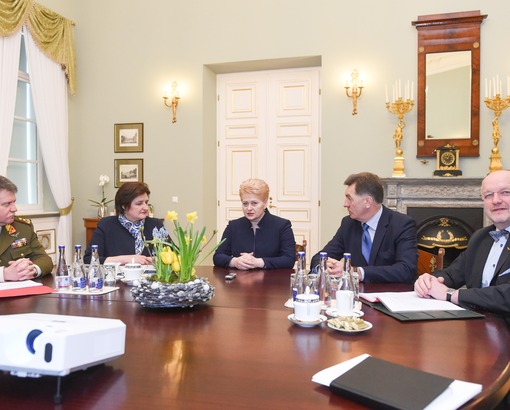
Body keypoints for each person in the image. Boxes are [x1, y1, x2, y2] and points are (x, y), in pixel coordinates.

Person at [415, 169, 510, 315]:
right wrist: (428, 281)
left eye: (505, 192)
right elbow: (453, 274)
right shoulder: (480, 237)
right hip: (476, 322)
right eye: (489, 195)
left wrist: (451, 295)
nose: (496, 200)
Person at [310, 172, 417, 283]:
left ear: (368, 202)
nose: (345, 204)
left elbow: (407, 269)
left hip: (390, 291)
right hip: (357, 292)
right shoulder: (348, 224)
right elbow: (319, 257)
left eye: (349, 198)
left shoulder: (402, 224)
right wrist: (323, 266)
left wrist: (357, 272)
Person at [213, 178, 296, 270]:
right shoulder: (233, 226)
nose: (249, 208)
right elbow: (218, 256)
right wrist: (234, 261)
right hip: (239, 278)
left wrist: (259, 262)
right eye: (245, 203)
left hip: (271, 278)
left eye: (254, 203)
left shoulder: (282, 225)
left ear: (265, 203)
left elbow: (289, 260)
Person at [84, 182, 165, 265]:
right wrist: (126, 259)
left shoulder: (156, 225)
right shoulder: (106, 225)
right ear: (124, 205)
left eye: (146, 202)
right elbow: (89, 259)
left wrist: (157, 260)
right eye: (139, 203)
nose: (146, 208)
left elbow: (172, 255)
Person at [0, 176, 53, 281]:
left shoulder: (22, 227)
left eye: (14, 202)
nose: (14, 209)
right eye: (7, 204)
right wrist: (3, 274)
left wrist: (32, 270)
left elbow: (44, 259)